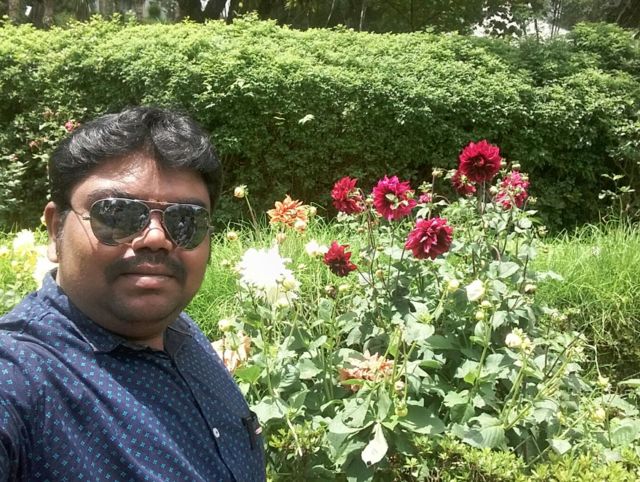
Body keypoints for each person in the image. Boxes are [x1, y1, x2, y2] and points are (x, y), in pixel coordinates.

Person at [0, 107, 266, 481]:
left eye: (185, 220)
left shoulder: (179, 332)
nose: (156, 238)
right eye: (117, 214)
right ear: (56, 230)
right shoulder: (19, 377)